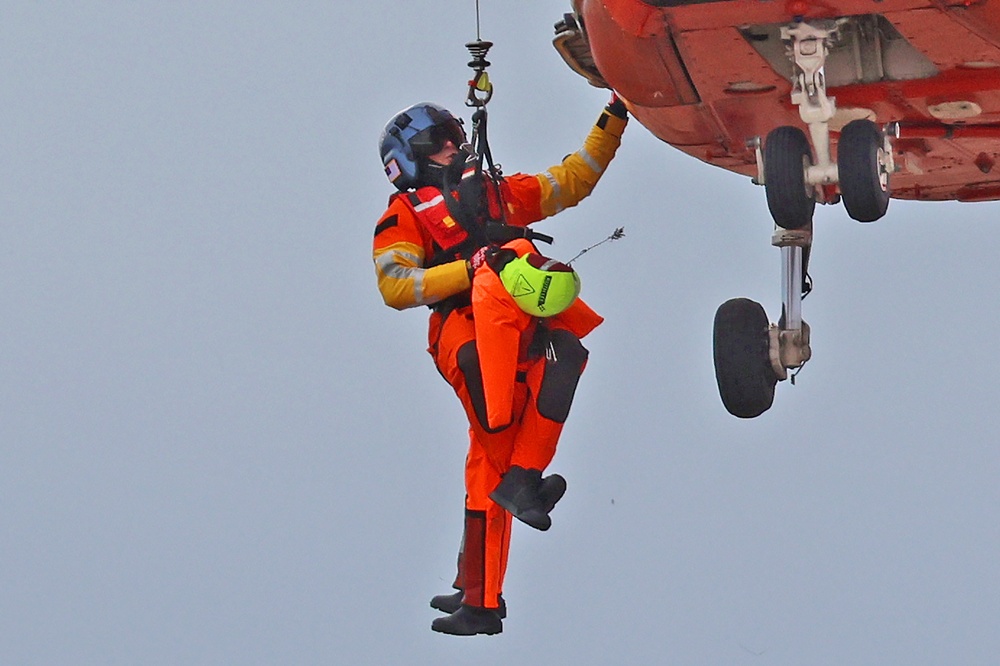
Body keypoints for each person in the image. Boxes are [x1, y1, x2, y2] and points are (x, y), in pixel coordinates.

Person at [372, 95, 628, 635]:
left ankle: (482, 594)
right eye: (439, 141)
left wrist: (615, 116)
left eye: (453, 134)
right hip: (462, 328)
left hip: (523, 321)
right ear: (413, 160)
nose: (455, 144)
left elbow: (572, 179)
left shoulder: (497, 193)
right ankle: (519, 490)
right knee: (495, 427)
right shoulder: (401, 217)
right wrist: (473, 267)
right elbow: (397, 286)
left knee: (568, 357)